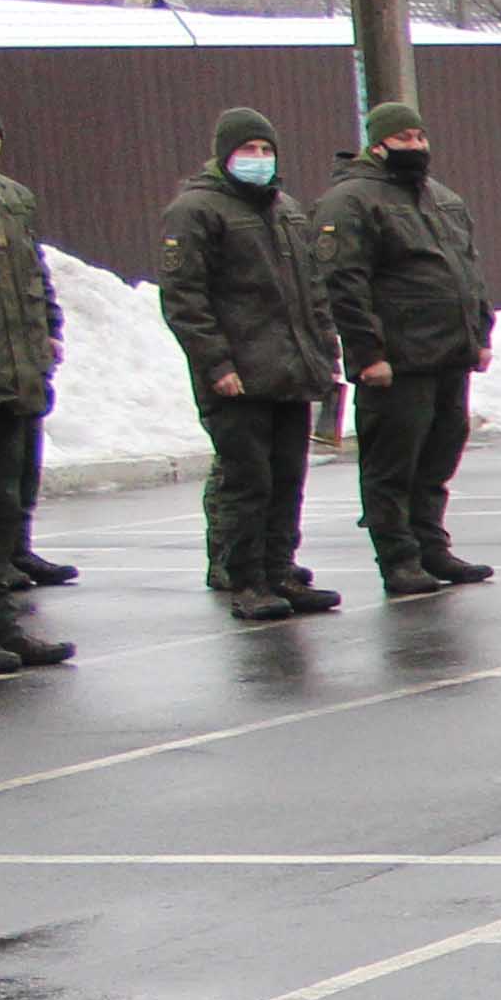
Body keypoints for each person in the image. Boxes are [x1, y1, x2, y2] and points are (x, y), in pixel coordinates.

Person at [158, 108, 346, 625]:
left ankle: (279, 569)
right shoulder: (195, 210)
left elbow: (311, 290)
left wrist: (325, 352)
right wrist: (216, 363)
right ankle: (246, 579)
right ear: (224, 155)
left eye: (266, 150)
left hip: (291, 369)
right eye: (248, 150)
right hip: (239, 375)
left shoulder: (284, 209)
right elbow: (185, 298)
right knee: (248, 480)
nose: (259, 160)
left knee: (288, 476)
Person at [315, 100, 498, 597]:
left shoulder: (441, 198)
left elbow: (468, 269)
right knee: (393, 462)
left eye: (420, 137)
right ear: (377, 144)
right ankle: (397, 557)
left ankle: (430, 545)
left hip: (448, 354)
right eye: (404, 139)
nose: (416, 146)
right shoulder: (351, 200)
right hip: (397, 361)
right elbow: (344, 283)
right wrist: (368, 353)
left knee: (440, 454)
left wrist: (480, 333)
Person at [0, 70, 76, 679]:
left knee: (4, 508)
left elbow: (32, 280)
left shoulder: (8, 198)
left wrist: (45, 336)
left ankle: (0, 620)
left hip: (11, 381)